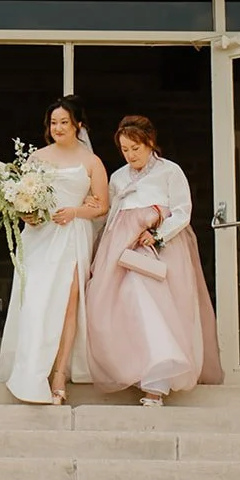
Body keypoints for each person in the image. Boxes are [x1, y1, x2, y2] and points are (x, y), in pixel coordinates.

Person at [86, 114, 222, 405]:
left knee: (154, 303)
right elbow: (110, 217)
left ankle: (157, 381)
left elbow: (183, 211)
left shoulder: (170, 171)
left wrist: (159, 234)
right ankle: (135, 367)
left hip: (160, 245)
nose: (130, 155)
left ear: (149, 143)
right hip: (122, 247)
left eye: (135, 148)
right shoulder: (119, 177)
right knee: (123, 306)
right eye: (124, 149)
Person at [0, 96, 109, 404]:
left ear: (78, 125)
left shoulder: (91, 161)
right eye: (53, 122)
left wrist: (74, 212)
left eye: (64, 122)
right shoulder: (36, 158)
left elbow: (102, 205)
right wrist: (25, 213)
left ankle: (59, 373)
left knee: (67, 303)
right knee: (36, 301)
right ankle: (31, 369)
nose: (58, 127)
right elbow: (21, 199)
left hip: (71, 235)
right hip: (39, 236)